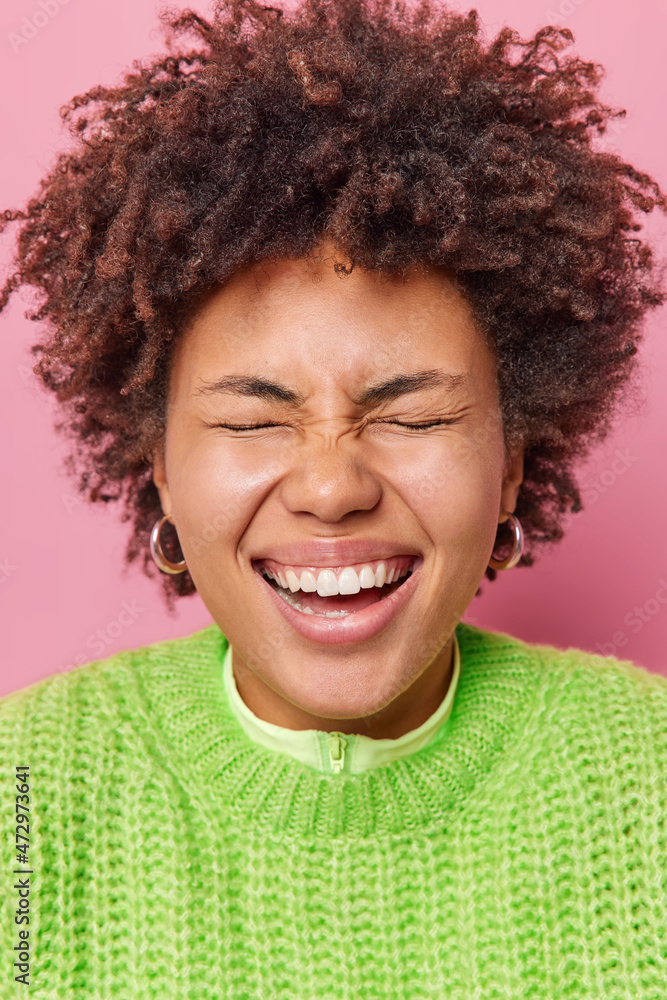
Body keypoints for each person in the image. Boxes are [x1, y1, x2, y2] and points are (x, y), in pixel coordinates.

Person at [1, 0, 666, 995]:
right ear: (161, 465)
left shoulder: (648, 774)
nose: (331, 487)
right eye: (251, 420)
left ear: (510, 464)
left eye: (414, 415)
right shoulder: (22, 789)